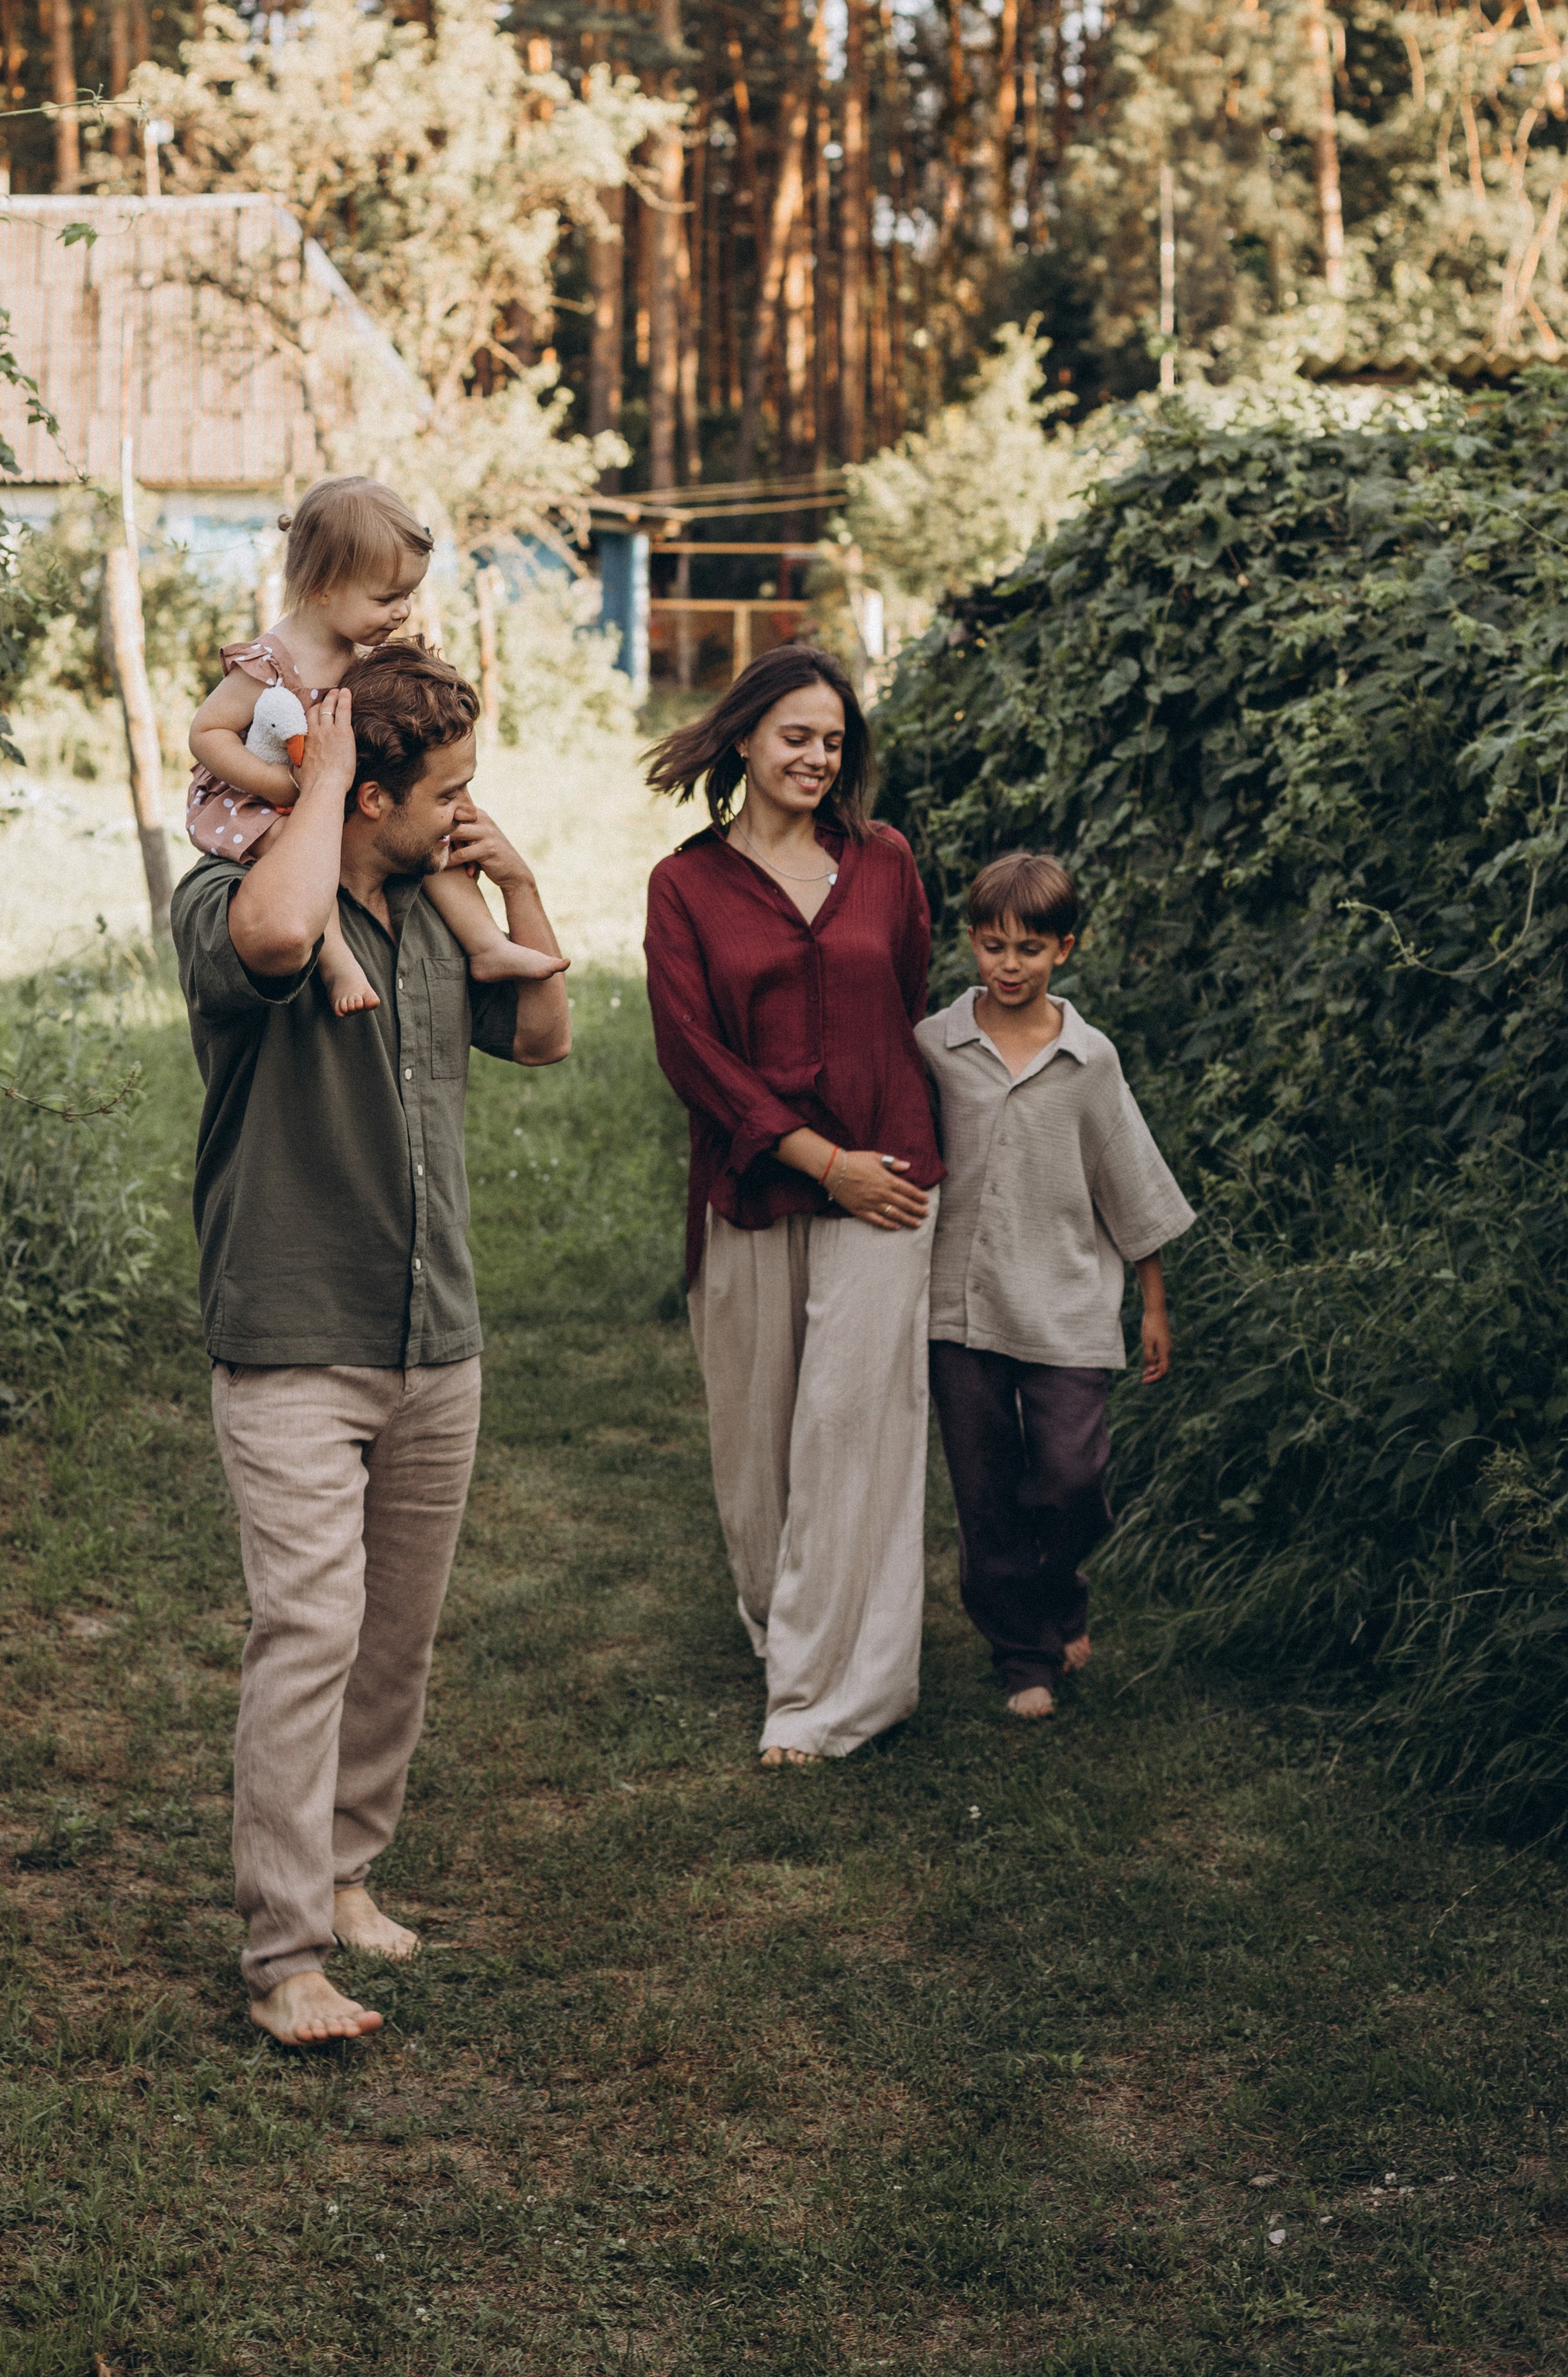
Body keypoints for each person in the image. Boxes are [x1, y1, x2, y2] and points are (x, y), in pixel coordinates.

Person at [171, 641, 571, 2046]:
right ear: (363, 790)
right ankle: (282, 1955)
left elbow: (545, 1034)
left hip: (433, 1332)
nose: (464, 806)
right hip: (292, 1332)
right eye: (445, 790)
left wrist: (515, 880)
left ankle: (344, 1875)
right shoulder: (232, 896)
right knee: (312, 1630)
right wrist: (321, 782)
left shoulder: (431, 908)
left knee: (392, 1637)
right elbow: (279, 945)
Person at [643, 644, 943, 1766]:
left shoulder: (885, 862)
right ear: (746, 738)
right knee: (757, 1443)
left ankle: (830, 1697)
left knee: (849, 1432)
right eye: (796, 735)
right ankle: (791, 1635)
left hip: (892, 1187)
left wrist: (868, 1162)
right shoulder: (686, 886)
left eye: (834, 740)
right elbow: (693, 1054)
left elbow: (899, 1002)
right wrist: (824, 1160)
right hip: (755, 1187)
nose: (818, 755)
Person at [915, 850, 1194, 1720]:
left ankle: (1061, 1584)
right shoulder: (935, 1043)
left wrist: (1151, 1302)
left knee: (1070, 1477)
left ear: (1064, 950)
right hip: (961, 1304)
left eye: (1029, 949)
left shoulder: (1089, 1059)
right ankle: (1022, 1655)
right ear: (970, 943)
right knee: (986, 1489)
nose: (1008, 965)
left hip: (1067, 1302)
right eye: (993, 946)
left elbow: (1129, 1176)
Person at [187, 472, 565, 1018]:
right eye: (386, 598)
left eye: (408, 595)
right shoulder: (271, 661)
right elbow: (206, 733)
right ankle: (338, 962)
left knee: (429, 841)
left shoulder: (357, 656)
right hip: (258, 802)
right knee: (308, 864)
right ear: (323, 587)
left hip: (324, 790)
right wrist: (285, 784)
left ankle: (486, 944)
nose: (402, 611)